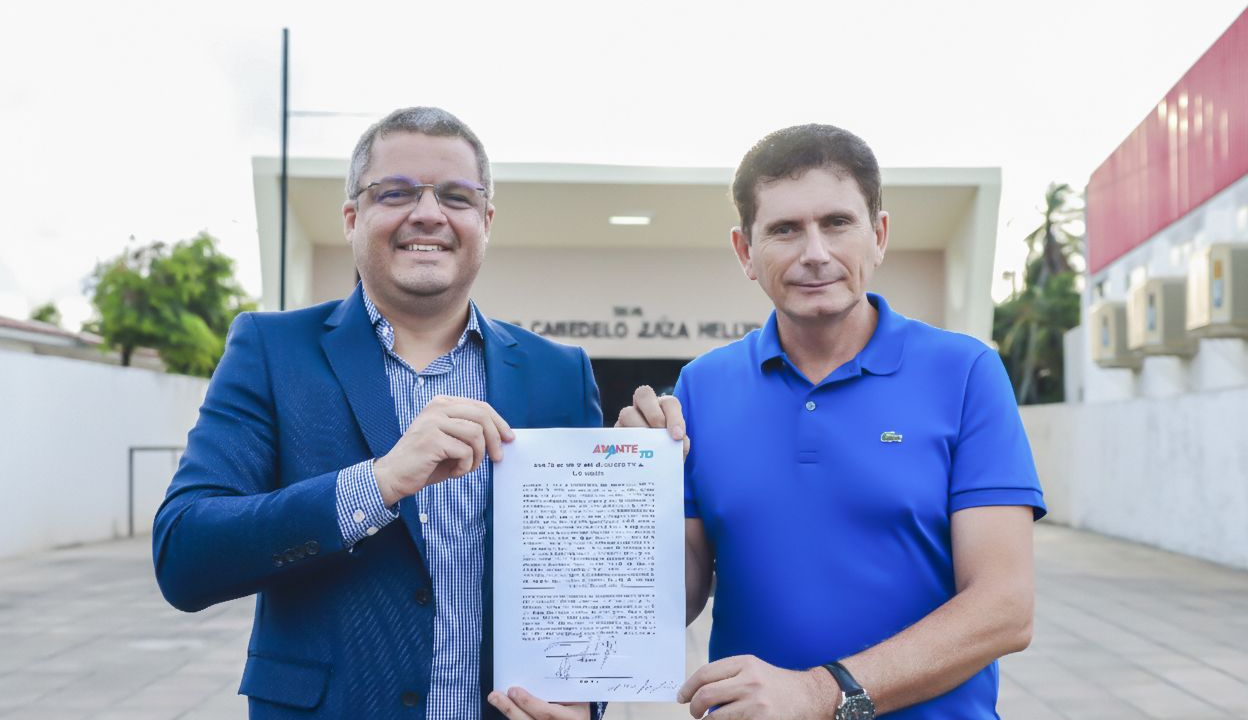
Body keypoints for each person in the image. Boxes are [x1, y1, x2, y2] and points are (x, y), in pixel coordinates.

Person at [154, 107, 602, 720]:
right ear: (351, 218)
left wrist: (586, 701)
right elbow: (184, 555)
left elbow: (586, 579)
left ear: (485, 221)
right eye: (395, 192)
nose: (429, 213)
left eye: (457, 196)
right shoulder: (270, 349)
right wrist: (380, 482)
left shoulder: (560, 372)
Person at [619, 124, 1046, 719]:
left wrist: (822, 692)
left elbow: (1004, 608)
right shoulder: (702, 386)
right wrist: (631, 494)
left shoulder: (966, 372)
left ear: (879, 235)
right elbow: (681, 593)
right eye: (785, 229)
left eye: (837, 223)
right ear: (745, 252)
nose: (815, 253)